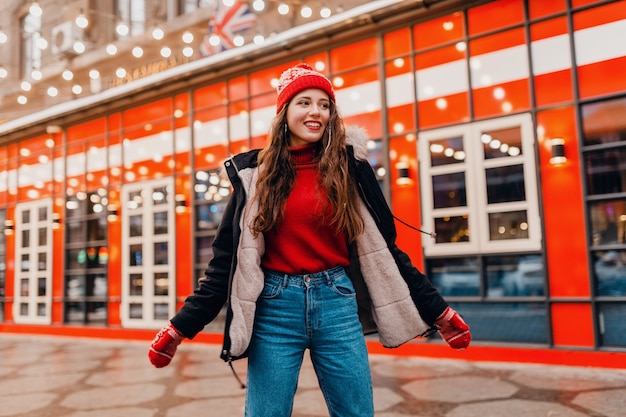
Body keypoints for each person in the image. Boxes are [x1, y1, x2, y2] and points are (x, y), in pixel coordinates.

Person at [148, 63, 471, 417]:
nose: (316, 111)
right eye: (304, 102)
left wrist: (439, 312)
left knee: (356, 412)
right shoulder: (254, 178)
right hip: (274, 309)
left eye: (324, 104)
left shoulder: (352, 171)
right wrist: (179, 327)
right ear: (284, 111)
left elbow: (385, 251)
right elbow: (225, 262)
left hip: (337, 303)